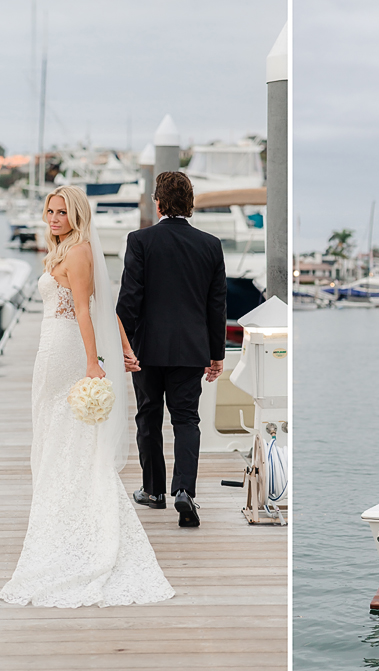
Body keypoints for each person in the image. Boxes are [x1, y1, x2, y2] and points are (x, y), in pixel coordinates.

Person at [0, 186, 174, 608]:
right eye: (49, 211)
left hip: (65, 351)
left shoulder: (77, 252)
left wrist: (95, 361)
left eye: (61, 213)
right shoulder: (61, 250)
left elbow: (83, 309)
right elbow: (106, 306)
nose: (54, 218)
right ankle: (65, 514)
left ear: (77, 216)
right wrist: (127, 347)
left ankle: (75, 518)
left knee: (65, 434)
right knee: (58, 433)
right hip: (51, 346)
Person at [116, 172, 227, 528]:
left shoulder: (140, 240)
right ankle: (185, 491)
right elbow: (216, 305)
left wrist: (124, 345)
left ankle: (154, 491)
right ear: (190, 204)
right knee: (186, 420)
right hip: (190, 349)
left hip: (146, 349)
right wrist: (217, 354)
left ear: (159, 203)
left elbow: (129, 300)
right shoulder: (211, 245)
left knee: (148, 417)